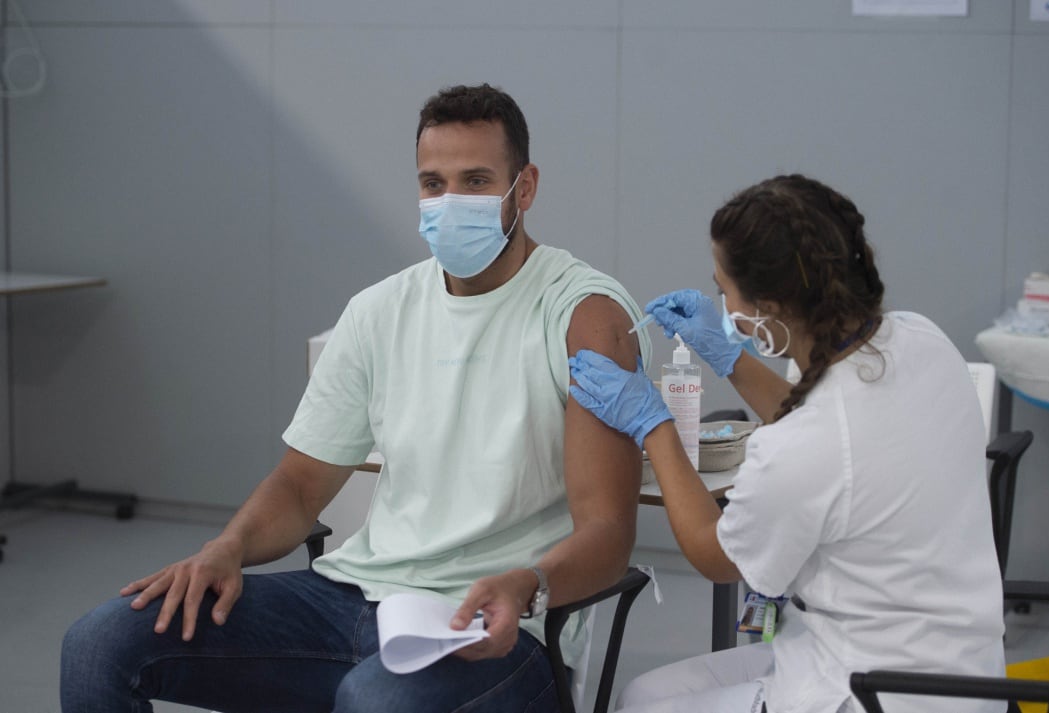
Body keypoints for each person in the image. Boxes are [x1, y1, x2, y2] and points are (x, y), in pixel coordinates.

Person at [61, 83, 651, 713]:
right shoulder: (378, 312)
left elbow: (608, 532)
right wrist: (225, 548)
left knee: (375, 701)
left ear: (524, 187)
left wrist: (529, 583)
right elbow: (298, 488)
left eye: (476, 181)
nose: (450, 202)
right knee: (100, 643)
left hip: (500, 627)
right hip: (358, 597)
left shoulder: (584, 316)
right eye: (433, 183)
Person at [568, 174, 1006, 713]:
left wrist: (653, 424)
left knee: (641, 708)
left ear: (768, 310)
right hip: (967, 671)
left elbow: (716, 555)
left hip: (873, 692)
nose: (721, 304)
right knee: (645, 692)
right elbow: (840, 437)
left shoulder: (803, 446)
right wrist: (730, 357)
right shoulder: (922, 339)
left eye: (723, 289)